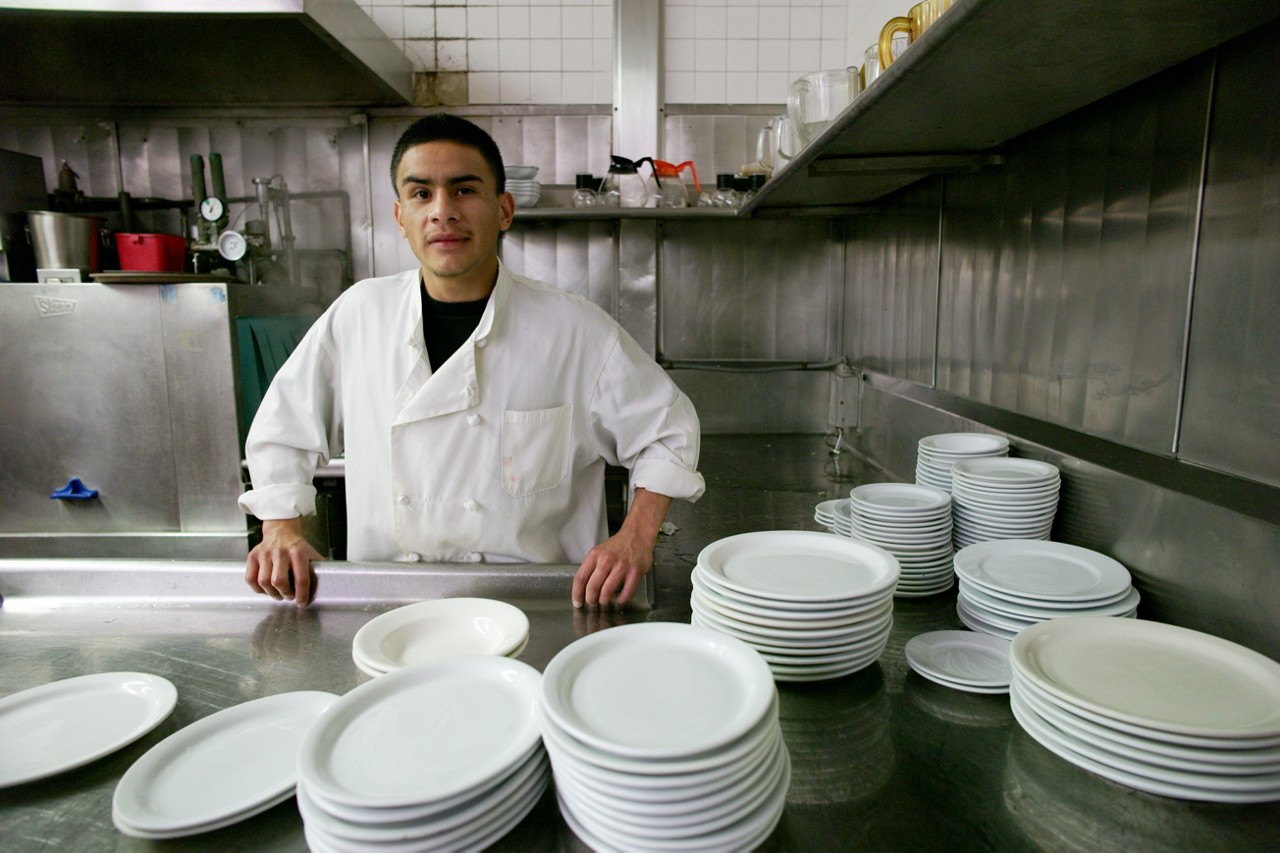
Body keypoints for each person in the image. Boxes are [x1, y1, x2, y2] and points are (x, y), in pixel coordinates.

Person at [239, 113, 704, 609]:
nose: (442, 211)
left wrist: (635, 537)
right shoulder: (359, 316)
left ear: (504, 209)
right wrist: (280, 528)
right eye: (421, 194)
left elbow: (667, 431)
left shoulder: (575, 330)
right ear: (400, 217)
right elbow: (282, 428)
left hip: (537, 609)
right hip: (392, 610)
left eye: (464, 191)